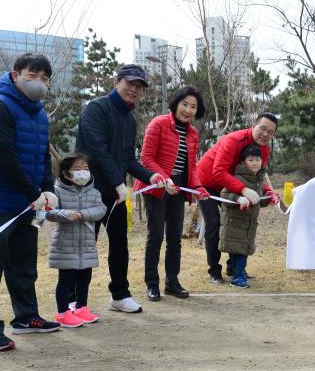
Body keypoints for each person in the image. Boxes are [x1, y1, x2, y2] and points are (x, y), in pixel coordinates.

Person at [0, 53, 60, 351]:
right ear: (16, 74)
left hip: (27, 201)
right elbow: (3, 155)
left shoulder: (39, 114)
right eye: (33, 75)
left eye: (45, 78)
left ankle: (26, 316)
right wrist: (32, 190)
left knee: (23, 262)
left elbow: (42, 156)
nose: (39, 83)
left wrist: (47, 190)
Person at [76, 64, 166, 314]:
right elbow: (97, 151)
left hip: (115, 196)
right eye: (130, 83)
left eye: (139, 86)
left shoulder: (130, 119)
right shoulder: (96, 108)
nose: (134, 90)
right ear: (117, 82)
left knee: (120, 244)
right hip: (89, 191)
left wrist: (152, 176)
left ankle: (119, 294)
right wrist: (118, 182)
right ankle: (74, 301)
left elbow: (128, 159)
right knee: (85, 245)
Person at [134, 86, 209, 301]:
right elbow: (146, 159)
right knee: (155, 234)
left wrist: (198, 187)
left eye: (193, 107)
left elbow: (191, 167)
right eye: (184, 104)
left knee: (174, 237)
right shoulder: (158, 123)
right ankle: (152, 284)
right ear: (176, 104)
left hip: (177, 187)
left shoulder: (193, 134)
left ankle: (172, 282)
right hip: (156, 185)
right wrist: (163, 178)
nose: (188, 110)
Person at [196, 113, 280, 284]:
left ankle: (233, 267)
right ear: (253, 125)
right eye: (263, 128)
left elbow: (257, 177)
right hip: (207, 183)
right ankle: (214, 270)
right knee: (213, 224)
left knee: (238, 223)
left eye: (270, 132)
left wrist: (268, 192)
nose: (265, 134)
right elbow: (218, 172)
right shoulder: (233, 140)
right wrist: (243, 190)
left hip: (233, 185)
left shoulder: (264, 150)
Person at [45, 153, 106, 328]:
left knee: (85, 277)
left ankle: (82, 308)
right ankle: (63, 313)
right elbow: (48, 212)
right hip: (65, 244)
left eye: (85, 169)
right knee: (66, 279)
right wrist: (66, 214)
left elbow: (101, 209)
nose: (83, 173)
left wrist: (83, 214)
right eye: (77, 169)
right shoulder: (56, 192)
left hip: (86, 244)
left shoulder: (94, 191)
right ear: (65, 173)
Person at [218, 145, 271, 288]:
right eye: (251, 160)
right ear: (243, 162)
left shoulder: (258, 180)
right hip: (235, 222)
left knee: (238, 250)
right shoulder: (237, 178)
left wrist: (268, 198)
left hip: (249, 223)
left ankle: (234, 270)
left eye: (258, 159)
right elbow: (224, 195)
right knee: (242, 251)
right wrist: (238, 198)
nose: (255, 163)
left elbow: (258, 201)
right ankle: (238, 276)